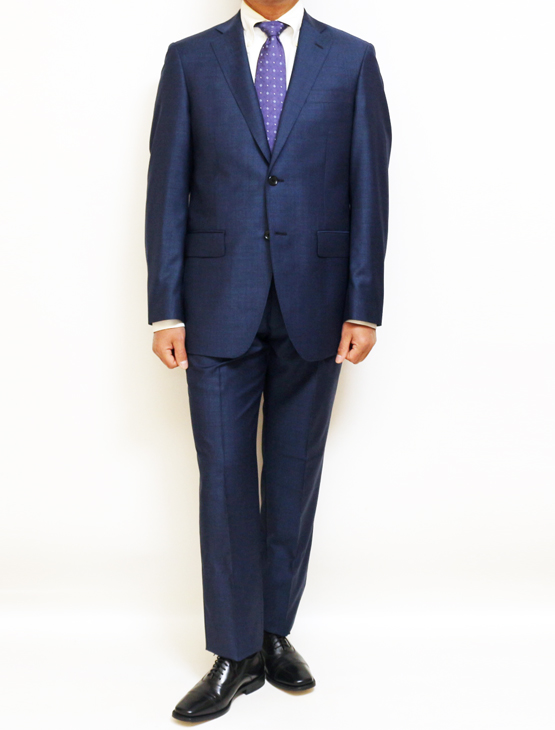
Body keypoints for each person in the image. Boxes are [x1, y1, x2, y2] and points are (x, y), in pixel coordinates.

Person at [144, 0, 391, 721]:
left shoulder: (353, 59)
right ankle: (234, 651)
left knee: (293, 475)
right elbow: (168, 187)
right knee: (223, 478)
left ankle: (274, 630)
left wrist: (363, 305)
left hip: (317, 302)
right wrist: (166, 308)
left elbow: (370, 187)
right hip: (216, 302)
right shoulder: (190, 59)